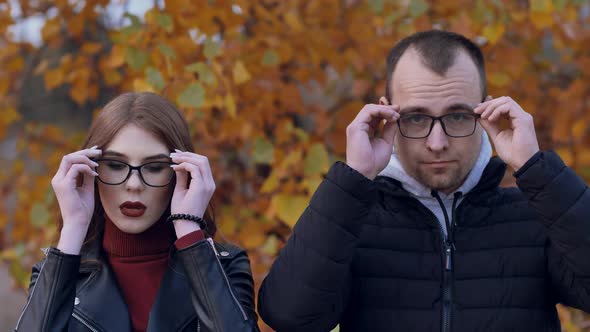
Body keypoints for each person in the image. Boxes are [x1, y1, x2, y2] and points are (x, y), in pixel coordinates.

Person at [257, 30, 590, 331]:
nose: (437, 142)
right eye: (416, 118)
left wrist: (536, 168)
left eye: (457, 116)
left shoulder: (534, 214)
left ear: (487, 111)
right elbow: (289, 315)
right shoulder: (354, 219)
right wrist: (354, 180)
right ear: (386, 114)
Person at [14, 92, 260, 332]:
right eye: (115, 165)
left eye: (154, 167)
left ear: (180, 173)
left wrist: (187, 227)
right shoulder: (57, 272)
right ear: (90, 170)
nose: (133, 184)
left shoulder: (225, 265)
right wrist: (74, 227)